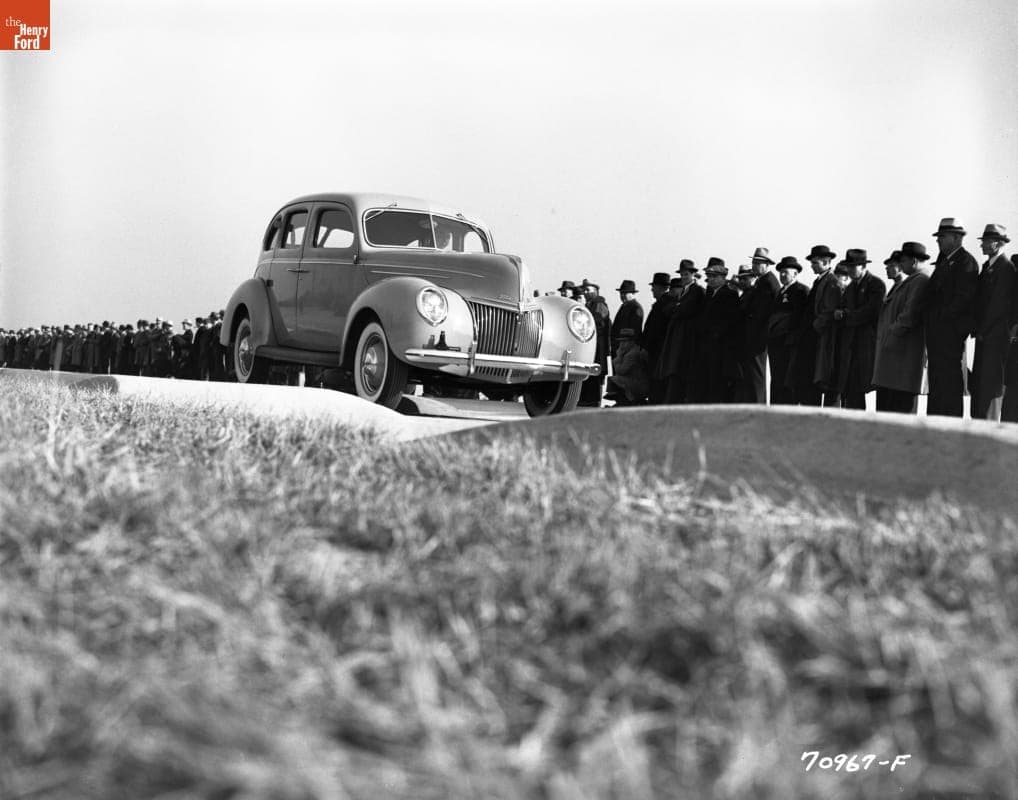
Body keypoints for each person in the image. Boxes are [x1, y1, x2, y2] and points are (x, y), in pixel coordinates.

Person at [924, 217, 978, 416]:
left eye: (943, 236)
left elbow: (962, 299)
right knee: (937, 382)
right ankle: (935, 422)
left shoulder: (966, 262)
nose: (938, 240)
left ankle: (949, 423)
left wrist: (939, 319)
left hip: (950, 333)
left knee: (949, 383)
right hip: (938, 333)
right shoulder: (944, 262)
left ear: (957, 238)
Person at [872, 241, 932, 413]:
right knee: (892, 404)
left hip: (903, 353)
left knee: (902, 406)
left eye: (903, 261)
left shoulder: (920, 281)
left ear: (914, 261)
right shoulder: (911, 281)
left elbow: (909, 314)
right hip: (897, 354)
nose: (901, 265)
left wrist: (891, 334)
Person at [969, 224, 1014, 420]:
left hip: (995, 337)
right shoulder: (988, 267)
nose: (982, 245)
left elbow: (998, 305)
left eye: (986, 241)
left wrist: (982, 329)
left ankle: (988, 428)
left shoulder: (1006, 269)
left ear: (997, 243)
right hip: (985, 336)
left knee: (991, 387)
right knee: (981, 385)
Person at [835, 249, 885, 409]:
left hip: (865, 345)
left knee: (860, 386)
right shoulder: (851, 287)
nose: (849, 270)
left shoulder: (876, 284)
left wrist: (846, 315)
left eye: (853, 266)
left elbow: (870, 312)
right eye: (848, 267)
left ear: (863, 266)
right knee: (850, 389)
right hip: (851, 346)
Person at [788, 245, 837, 406]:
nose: (812, 266)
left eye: (815, 263)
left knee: (813, 382)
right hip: (810, 339)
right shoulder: (820, 281)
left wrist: (814, 328)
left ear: (826, 262)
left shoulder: (831, 281)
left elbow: (829, 311)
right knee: (806, 381)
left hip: (817, 340)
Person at [689, 258, 740, 403]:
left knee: (717, 384)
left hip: (719, 348)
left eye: (714, 276)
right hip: (706, 347)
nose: (710, 279)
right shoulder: (710, 295)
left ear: (723, 278)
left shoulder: (730, 294)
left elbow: (729, 322)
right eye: (709, 276)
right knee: (706, 383)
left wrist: (713, 334)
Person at [658, 263, 705, 403]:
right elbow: (668, 310)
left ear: (693, 275)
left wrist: (677, 307)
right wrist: (677, 306)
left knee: (682, 372)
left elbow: (686, 309)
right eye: (682, 274)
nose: (684, 277)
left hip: (687, 339)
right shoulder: (684, 291)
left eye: (686, 274)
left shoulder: (697, 290)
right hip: (679, 338)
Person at [767, 256, 809, 405]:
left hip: (789, 344)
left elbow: (800, 319)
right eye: (781, 272)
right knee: (776, 378)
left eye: (786, 272)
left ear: (795, 274)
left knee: (788, 380)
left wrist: (792, 339)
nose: (782, 275)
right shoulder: (780, 292)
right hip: (776, 343)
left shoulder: (801, 291)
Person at [814, 259, 853, 406]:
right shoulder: (839, 291)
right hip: (833, 344)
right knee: (832, 384)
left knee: (838, 386)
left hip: (842, 345)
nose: (839, 280)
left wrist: (817, 325)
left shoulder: (846, 293)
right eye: (838, 275)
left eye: (842, 276)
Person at [734, 262, 770, 403]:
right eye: (741, 279)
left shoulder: (754, 294)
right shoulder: (744, 295)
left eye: (746, 278)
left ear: (753, 278)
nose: (743, 281)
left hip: (755, 342)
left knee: (756, 378)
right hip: (745, 342)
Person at [640, 271, 676, 404]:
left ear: (660, 287)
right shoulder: (663, 303)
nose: (652, 290)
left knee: (656, 381)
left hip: (657, 350)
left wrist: (646, 347)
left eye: (654, 287)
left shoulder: (663, 304)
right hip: (659, 350)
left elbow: (655, 329)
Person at [579, 280, 611, 407]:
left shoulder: (599, 305)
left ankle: (594, 400)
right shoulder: (590, 305)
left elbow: (598, 324)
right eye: (584, 290)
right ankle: (589, 399)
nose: (585, 292)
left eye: (588, 290)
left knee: (596, 373)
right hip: (592, 346)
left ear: (595, 291)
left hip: (598, 347)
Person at [604, 328, 649, 405]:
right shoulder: (632, 351)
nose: (622, 344)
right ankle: (620, 399)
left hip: (637, 384)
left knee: (614, 379)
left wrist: (618, 357)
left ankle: (625, 400)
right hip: (637, 381)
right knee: (616, 379)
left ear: (631, 342)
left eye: (624, 342)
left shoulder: (631, 354)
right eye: (621, 342)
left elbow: (620, 370)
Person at [611, 279, 644, 358]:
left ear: (632, 294)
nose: (622, 296)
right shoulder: (624, 306)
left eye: (625, 293)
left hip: (628, 348)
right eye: (621, 293)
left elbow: (635, 331)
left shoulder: (636, 308)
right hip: (619, 347)